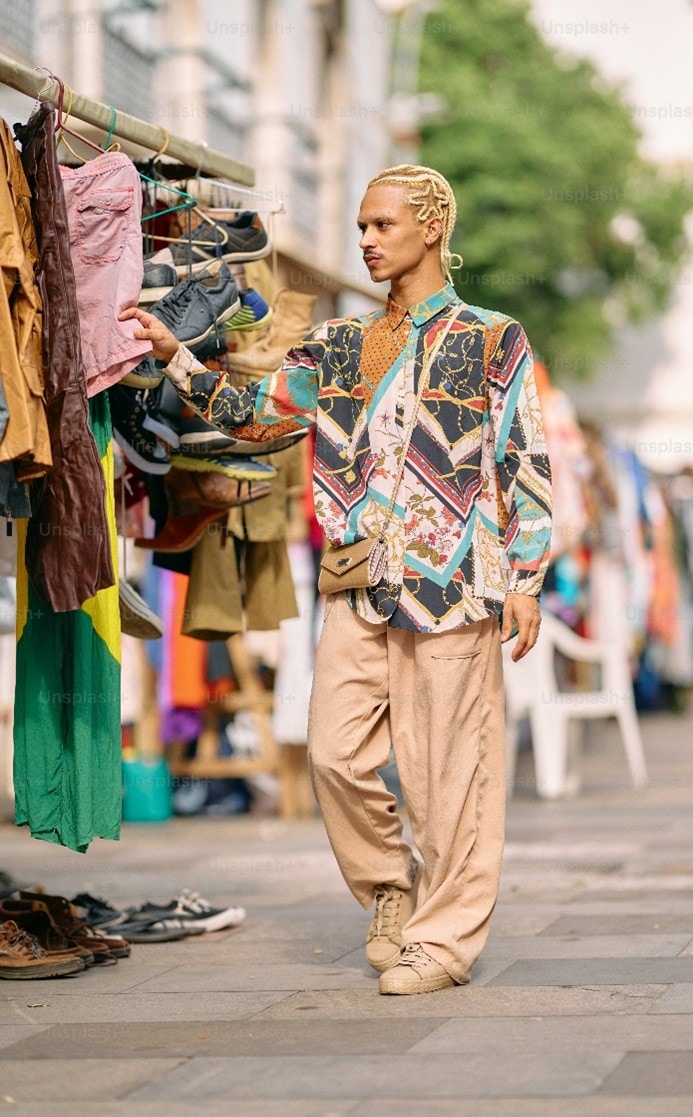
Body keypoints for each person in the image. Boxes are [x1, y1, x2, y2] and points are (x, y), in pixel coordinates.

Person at [121, 164, 552, 996]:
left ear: (432, 227)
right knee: (334, 753)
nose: (365, 239)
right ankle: (391, 887)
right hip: (358, 582)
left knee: (445, 776)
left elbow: (524, 457)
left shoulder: (494, 338)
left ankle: (443, 942)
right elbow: (262, 417)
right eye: (361, 226)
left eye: (382, 225)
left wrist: (527, 574)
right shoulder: (339, 342)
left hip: (455, 581)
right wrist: (177, 358)